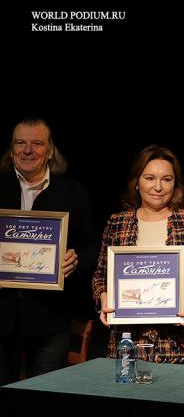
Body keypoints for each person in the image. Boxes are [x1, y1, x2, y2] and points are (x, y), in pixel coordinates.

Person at [92, 145, 184, 364]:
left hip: (180, 345)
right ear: (136, 182)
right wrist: (103, 295)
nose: (158, 187)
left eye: (167, 179)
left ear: (176, 184)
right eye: (150, 178)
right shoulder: (117, 223)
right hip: (127, 342)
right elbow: (100, 275)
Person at [0, 117, 97, 384]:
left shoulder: (73, 192)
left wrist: (75, 259)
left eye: (37, 143)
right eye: (20, 143)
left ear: (51, 150)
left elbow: (91, 250)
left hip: (50, 319)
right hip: (1, 316)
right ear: (11, 150)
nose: (27, 150)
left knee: (43, 398)